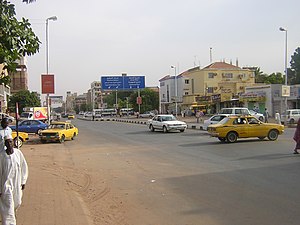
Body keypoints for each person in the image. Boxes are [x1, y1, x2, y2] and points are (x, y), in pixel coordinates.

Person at [0, 139, 28, 225]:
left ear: (13, 143)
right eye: (7, 142)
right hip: (6, 185)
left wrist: (23, 181)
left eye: (10, 142)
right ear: (5, 144)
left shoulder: (18, 153)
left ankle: (12, 214)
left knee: (17, 202)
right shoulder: (2, 156)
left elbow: (24, 167)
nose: (9, 144)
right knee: (8, 206)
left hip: (17, 183)